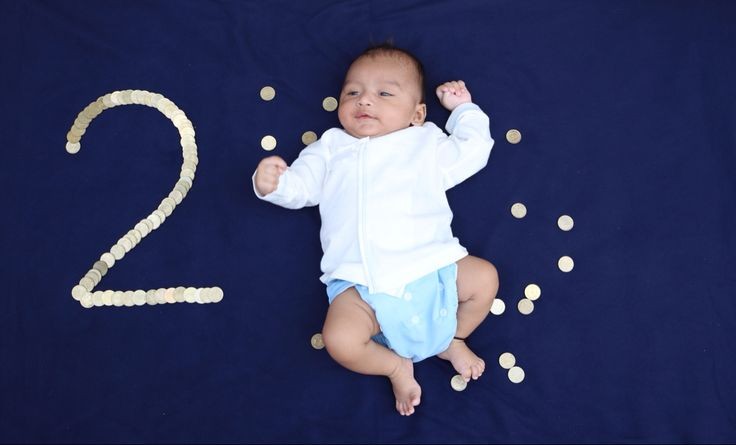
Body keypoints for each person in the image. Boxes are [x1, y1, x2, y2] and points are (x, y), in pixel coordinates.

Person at [253, 44, 499, 416]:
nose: (365, 100)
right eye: (352, 92)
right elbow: (304, 186)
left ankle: (453, 337)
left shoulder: (425, 143)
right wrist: (276, 185)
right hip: (360, 283)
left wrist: (464, 112)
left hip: (432, 266)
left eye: (384, 93)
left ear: (417, 114)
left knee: (484, 279)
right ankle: (394, 366)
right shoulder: (331, 148)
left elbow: (473, 152)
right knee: (340, 341)